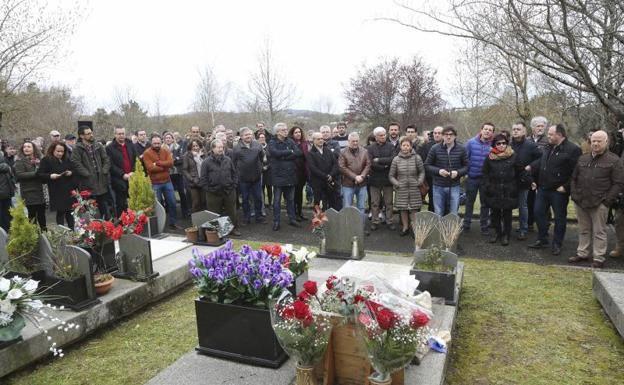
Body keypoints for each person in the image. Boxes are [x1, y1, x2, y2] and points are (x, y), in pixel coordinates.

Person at [569, 130, 624, 268]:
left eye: (599, 141)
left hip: (600, 203)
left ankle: (598, 257)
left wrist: (606, 201)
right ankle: (582, 253)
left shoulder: (614, 160)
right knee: (583, 229)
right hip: (581, 201)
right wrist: (574, 195)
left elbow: (618, 183)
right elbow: (574, 178)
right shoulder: (583, 158)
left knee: (599, 231)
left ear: (606, 142)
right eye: (593, 141)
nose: (596, 143)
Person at [528, 123, 582, 255]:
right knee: (538, 212)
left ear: (560, 135)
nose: (548, 136)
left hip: (559, 191)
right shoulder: (548, 146)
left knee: (559, 218)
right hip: (543, 188)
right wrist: (530, 167)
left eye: (551, 134)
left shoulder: (573, 149)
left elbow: (576, 172)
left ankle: (557, 243)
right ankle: (542, 238)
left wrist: (566, 186)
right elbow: (542, 161)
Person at [481, 134, 522, 246]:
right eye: (498, 143)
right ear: (494, 145)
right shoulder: (489, 157)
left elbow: (519, 172)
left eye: (504, 143)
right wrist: (488, 186)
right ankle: (497, 233)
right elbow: (485, 173)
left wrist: (517, 186)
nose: (501, 145)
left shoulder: (513, 156)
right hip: (494, 190)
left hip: (509, 189)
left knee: (507, 214)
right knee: (495, 214)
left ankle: (506, 235)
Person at [424, 125, 468, 216]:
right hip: (438, 186)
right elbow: (427, 165)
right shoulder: (435, 148)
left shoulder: (461, 149)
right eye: (446, 134)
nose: (448, 137)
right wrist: (439, 171)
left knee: (453, 212)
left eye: (451, 134)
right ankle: (440, 230)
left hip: (454, 186)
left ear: (455, 136)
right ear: (443, 136)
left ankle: (451, 230)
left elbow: (467, 166)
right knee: (438, 212)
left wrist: (458, 172)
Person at [199, 139, 241, 236]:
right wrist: (210, 189)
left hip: (229, 191)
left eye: (222, 147)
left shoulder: (228, 160)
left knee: (232, 211)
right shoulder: (206, 162)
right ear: (213, 149)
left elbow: (234, 174)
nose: (221, 149)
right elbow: (203, 179)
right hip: (213, 193)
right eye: (218, 147)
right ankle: (216, 232)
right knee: (214, 213)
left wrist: (233, 186)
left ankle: (232, 229)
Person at [71, 125, 112, 219]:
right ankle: (93, 230)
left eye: (91, 132)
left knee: (104, 207)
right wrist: (86, 173)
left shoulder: (98, 145)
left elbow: (106, 159)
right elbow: (76, 163)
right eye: (88, 133)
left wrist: (104, 171)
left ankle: (107, 227)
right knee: (90, 209)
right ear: (81, 136)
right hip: (87, 183)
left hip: (101, 181)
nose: (91, 135)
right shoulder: (77, 148)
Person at [510, 121, 542, 240]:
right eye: (514, 129)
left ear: (524, 131)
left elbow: (541, 158)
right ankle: (507, 228)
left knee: (523, 205)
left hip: (523, 179)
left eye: (518, 129)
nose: (515, 131)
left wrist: (531, 166)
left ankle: (523, 229)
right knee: (508, 205)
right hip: (509, 180)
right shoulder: (508, 144)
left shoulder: (530, 145)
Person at [268, 123, 302, 231]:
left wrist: (283, 156)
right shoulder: (272, 142)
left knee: (290, 200)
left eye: (286, 129)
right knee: (277, 201)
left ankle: (292, 219)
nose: (285, 131)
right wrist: (289, 152)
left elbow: (298, 153)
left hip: (290, 176)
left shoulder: (290, 141)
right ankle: (276, 221)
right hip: (278, 176)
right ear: (277, 132)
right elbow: (274, 153)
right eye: (283, 130)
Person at [388, 136, 425, 236]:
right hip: (401, 188)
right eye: (403, 145)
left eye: (407, 145)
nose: (405, 147)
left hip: (414, 188)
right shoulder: (396, 159)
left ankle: (415, 229)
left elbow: (422, 172)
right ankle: (405, 228)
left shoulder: (417, 158)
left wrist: (420, 181)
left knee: (414, 209)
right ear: (400, 146)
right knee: (403, 209)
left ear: (411, 146)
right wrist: (397, 183)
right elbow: (391, 176)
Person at [463, 123, 495, 234]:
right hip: (472, 178)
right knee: (469, 202)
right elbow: (465, 159)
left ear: (492, 133)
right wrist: (466, 173)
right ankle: (466, 224)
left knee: (485, 204)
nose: (487, 131)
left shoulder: (493, 145)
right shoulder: (471, 143)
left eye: (490, 130)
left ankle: (484, 226)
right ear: (481, 130)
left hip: (485, 180)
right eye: (485, 129)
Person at [142, 135, 179, 230]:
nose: (157, 145)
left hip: (167, 181)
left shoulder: (165, 150)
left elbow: (171, 163)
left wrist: (158, 163)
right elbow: (150, 168)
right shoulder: (147, 153)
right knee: (157, 206)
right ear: (151, 143)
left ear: (161, 142)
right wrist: (164, 166)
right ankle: (158, 226)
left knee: (172, 202)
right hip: (155, 183)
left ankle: (173, 223)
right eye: (155, 143)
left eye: (158, 143)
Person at [37, 142, 77, 228]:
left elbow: (73, 169)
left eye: (62, 151)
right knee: (60, 212)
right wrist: (50, 176)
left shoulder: (66, 159)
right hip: (56, 190)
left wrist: (71, 172)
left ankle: (72, 231)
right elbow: (40, 174)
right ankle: (62, 232)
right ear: (52, 150)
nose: (60, 153)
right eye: (58, 151)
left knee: (70, 212)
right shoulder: (46, 160)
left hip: (68, 189)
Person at [232, 127, 266, 225]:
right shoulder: (236, 148)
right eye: (246, 135)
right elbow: (233, 163)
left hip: (256, 178)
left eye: (250, 134)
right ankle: (246, 218)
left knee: (258, 198)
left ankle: (259, 217)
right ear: (241, 137)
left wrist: (260, 169)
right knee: (245, 199)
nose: (248, 136)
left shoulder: (257, 145)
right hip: (243, 179)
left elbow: (262, 158)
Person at [368, 126, 397, 231]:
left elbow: (393, 159)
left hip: (387, 179)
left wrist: (379, 160)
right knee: (375, 203)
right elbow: (370, 163)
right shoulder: (370, 148)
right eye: (381, 135)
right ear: (376, 137)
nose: (383, 137)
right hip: (374, 179)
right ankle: (375, 221)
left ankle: (389, 221)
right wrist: (384, 165)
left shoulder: (390, 146)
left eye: (384, 135)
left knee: (389, 202)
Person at [106, 126, 137, 217]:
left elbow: (136, 159)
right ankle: (122, 224)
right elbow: (110, 165)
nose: (121, 136)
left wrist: (133, 172)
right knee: (121, 204)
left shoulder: (130, 144)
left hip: (132, 177)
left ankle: (135, 222)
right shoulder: (110, 148)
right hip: (119, 180)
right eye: (119, 134)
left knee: (134, 201)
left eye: (123, 133)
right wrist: (122, 174)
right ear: (115, 134)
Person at [14, 141, 46, 230]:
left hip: (40, 191)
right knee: (32, 217)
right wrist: (36, 173)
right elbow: (20, 175)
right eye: (24, 147)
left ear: (34, 149)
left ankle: (45, 236)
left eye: (29, 146)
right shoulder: (20, 161)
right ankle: (34, 237)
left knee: (42, 216)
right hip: (28, 192)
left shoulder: (39, 160)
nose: (26, 148)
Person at [306, 132, 341, 211]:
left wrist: (331, 175)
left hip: (330, 182)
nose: (321, 140)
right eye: (318, 139)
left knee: (331, 203)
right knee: (319, 204)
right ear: (314, 140)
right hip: (318, 183)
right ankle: (319, 221)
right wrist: (325, 176)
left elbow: (335, 164)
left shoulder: (328, 151)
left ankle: (330, 221)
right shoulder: (310, 153)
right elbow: (313, 168)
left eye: (322, 138)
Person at [526, 116, 549, 231]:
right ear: (532, 127)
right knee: (529, 200)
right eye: (538, 126)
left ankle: (545, 225)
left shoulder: (548, 141)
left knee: (544, 201)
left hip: (543, 175)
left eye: (542, 126)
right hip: (529, 175)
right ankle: (529, 223)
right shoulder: (527, 140)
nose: (540, 128)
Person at [339, 132, 371, 214]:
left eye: (357, 141)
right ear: (348, 141)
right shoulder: (343, 152)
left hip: (362, 184)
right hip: (347, 184)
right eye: (353, 141)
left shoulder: (365, 151)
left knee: (361, 206)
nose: (355, 143)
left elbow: (368, 165)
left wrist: (362, 176)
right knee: (347, 207)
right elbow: (342, 167)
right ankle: (347, 226)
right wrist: (355, 177)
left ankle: (360, 226)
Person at [164, 132, 190, 217]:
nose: (168, 139)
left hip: (178, 173)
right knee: (169, 194)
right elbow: (162, 162)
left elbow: (182, 158)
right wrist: (173, 160)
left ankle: (185, 212)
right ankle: (171, 213)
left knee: (182, 193)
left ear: (172, 139)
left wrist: (173, 160)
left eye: (169, 138)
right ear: (164, 139)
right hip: (167, 175)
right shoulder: (162, 149)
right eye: (166, 138)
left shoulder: (178, 147)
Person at [288, 125, 309, 221]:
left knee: (300, 193)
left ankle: (300, 212)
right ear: (292, 134)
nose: (298, 134)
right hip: (293, 173)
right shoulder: (289, 143)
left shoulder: (304, 144)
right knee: (293, 195)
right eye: (296, 132)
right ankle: (294, 213)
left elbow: (307, 157)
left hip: (302, 173)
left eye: (299, 132)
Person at [422, 126, 444, 211]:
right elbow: (424, 162)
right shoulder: (426, 146)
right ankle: (432, 220)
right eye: (435, 133)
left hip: (444, 178)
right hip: (431, 178)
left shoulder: (448, 144)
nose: (437, 135)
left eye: (439, 133)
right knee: (432, 200)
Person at [182, 139, 205, 213]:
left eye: (197, 146)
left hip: (203, 180)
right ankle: (195, 221)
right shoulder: (187, 155)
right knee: (196, 202)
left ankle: (204, 220)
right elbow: (185, 170)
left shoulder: (204, 154)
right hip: (193, 182)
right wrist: (191, 179)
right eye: (193, 146)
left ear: (200, 146)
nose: (195, 147)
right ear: (190, 147)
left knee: (204, 201)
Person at [0, 151, 15, 232]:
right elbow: (5, 167)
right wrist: (6, 166)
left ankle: (9, 232)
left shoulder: (1, 154)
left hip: (6, 191)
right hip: (3, 191)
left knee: (8, 215)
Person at [257, 132, 272, 210]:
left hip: (269, 171)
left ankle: (270, 204)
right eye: (260, 137)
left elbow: (272, 158)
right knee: (261, 188)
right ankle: (262, 204)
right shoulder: (256, 147)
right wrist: (262, 167)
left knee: (269, 188)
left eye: (263, 137)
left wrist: (267, 166)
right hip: (260, 171)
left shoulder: (269, 147)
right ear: (258, 138)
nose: (262, 138)